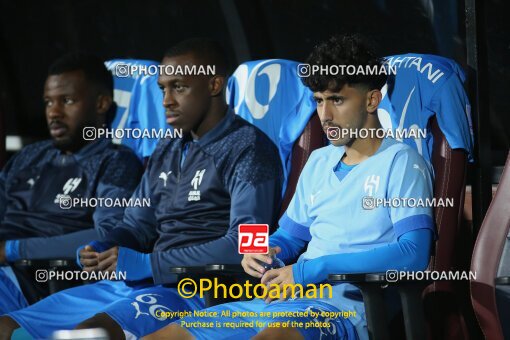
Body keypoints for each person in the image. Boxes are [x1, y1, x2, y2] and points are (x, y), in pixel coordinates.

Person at [145, 34, 435, 340]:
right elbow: (289, 236)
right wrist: (258, 251)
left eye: (337, 100)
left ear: (371, 100)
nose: (325, 115)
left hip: (344, 308)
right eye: (319, 101)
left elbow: (413, 253)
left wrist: (311, 271)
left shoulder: (402, 161)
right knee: (164, 337)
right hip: (282, 300)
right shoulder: (319, 160)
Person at [0, 38, 283, 339]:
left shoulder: (251, 148)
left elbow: (246, 247)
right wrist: (106, 247)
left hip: (198, 291)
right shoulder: (167, 147)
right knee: (7, 327)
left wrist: (150, 263)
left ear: (214, 85)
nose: (166, 101)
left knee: (88, 334)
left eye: (179, 87)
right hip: (137, 281)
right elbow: (136, 225)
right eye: (163, 89)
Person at [0, 52, 143, 314]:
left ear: (101, 104)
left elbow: (107, 235)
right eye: (48, 103)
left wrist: (12, 250)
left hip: (34, 285)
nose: (53, 113)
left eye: (66, 101)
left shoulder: (115, 162)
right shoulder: (29, 156)